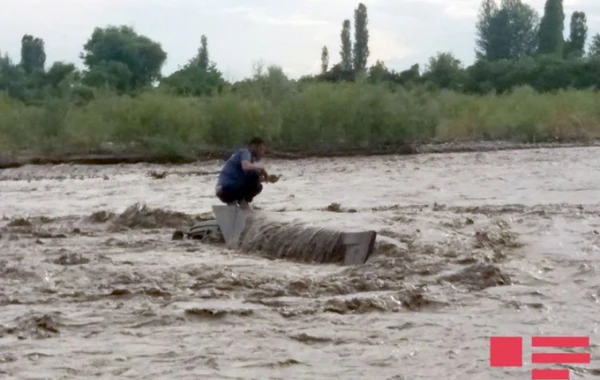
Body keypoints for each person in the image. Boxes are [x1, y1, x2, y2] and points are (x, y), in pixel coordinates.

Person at [215, 137, 269, 210]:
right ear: (254, 146)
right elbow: (245, 166)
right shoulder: (245, 152)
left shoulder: (245, 156)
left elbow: (248, 180)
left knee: (258, 184)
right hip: (227, 189)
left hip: (222, 190)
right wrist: (261, 169)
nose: (262, 153)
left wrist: (268, 179)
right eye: (261, 150)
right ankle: (243, 204)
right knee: (255, 174)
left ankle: (233, 205)